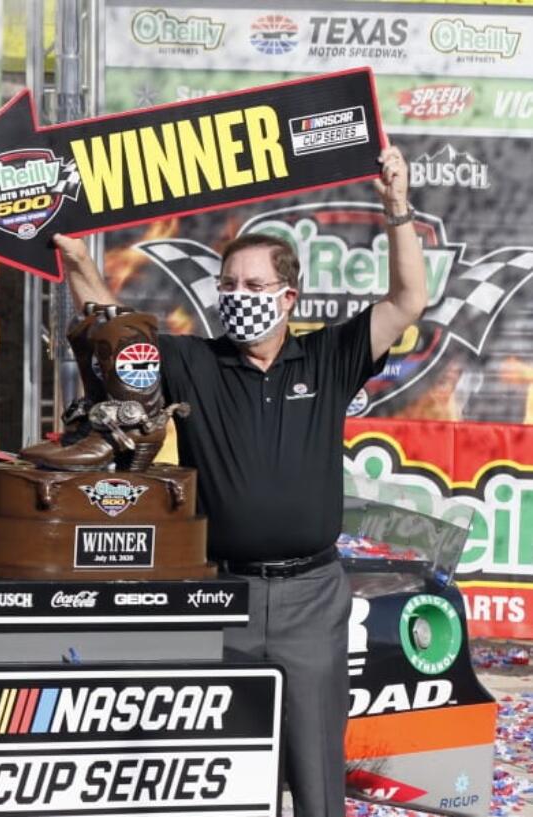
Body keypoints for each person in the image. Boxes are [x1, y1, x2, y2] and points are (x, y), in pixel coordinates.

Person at [54, 145, 428, 817]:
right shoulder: (194, 361)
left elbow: (408, 299)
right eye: (229, 286)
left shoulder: (328, 355)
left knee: (317, 782)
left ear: (290, 296)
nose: (238, 299)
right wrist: (80, 264)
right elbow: (117, 338)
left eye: (255, 288)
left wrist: (396, 205)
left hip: (311, 599)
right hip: (217, 597)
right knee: (218, 784)